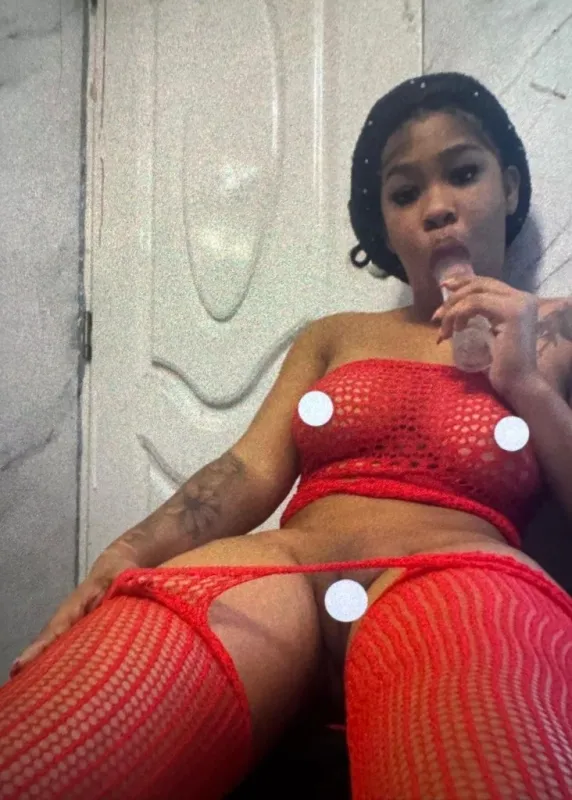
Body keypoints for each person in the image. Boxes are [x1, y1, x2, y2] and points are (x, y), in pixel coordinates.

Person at [2, 72, 572, 800]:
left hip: (458, 576)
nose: (436, 208)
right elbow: (249, 467)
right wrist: (123, 556)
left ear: (511, 187)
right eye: (404, 193)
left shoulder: (558, 328)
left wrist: (526, 384)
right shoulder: (334, 336)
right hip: (278, 574)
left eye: (463, 174)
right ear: (384, 224)